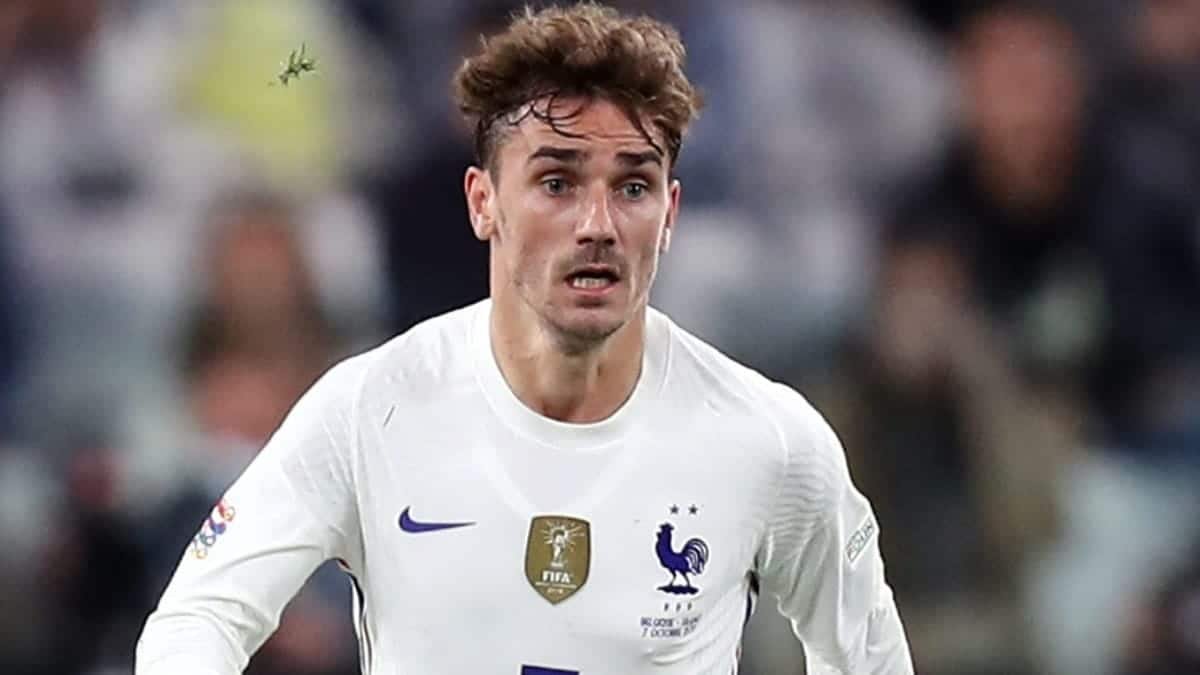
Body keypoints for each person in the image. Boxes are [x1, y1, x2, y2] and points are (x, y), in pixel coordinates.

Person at [135, 4, 913, 673]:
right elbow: (196, 619)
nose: (598, 224)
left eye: (633, 185)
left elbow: (871, 657)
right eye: (557, 182)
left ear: (671, 213)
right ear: (484, 202)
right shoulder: (369, 409)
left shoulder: (770, 439)